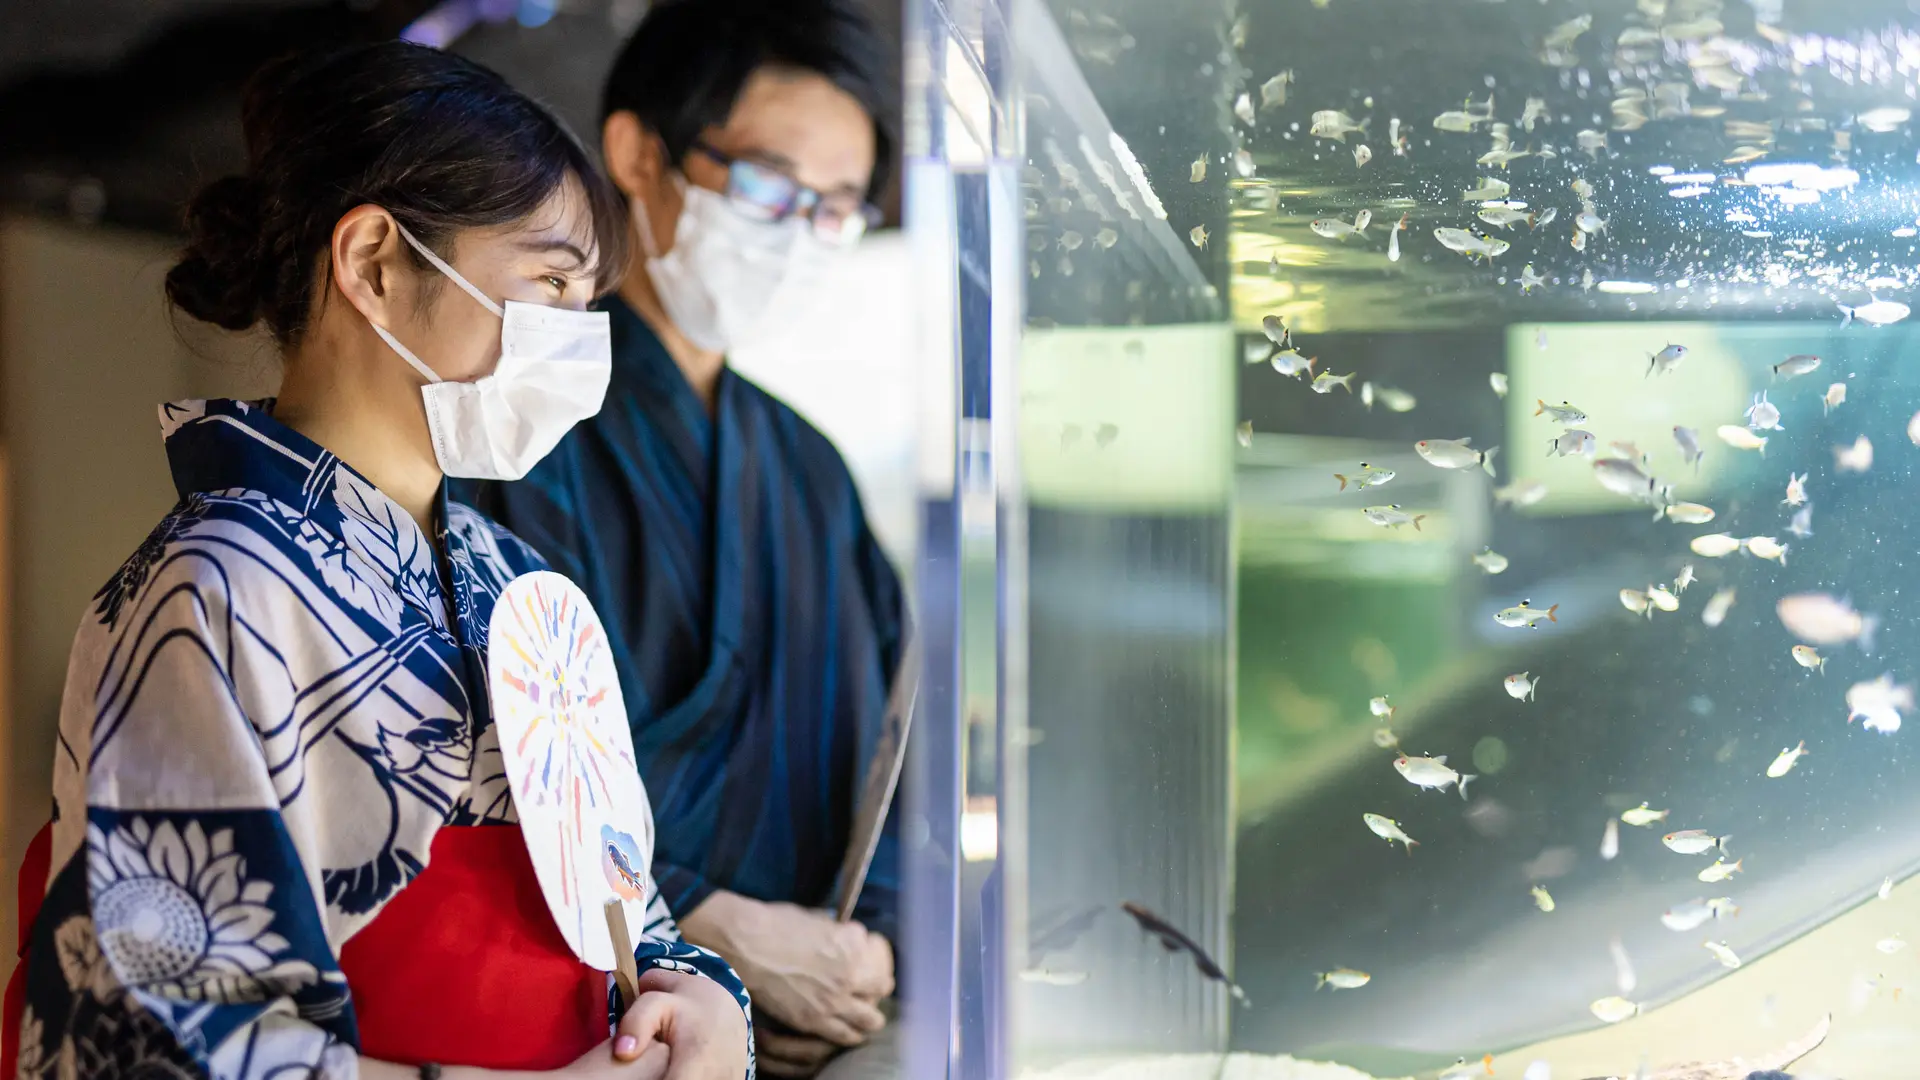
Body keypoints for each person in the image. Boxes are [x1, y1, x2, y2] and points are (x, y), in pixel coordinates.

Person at [1, 42, 756, 1080]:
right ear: (374, 266)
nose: (578, 342)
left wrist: (705, 1007)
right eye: (549, 286)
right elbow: (157, 1037)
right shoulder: (208, 591)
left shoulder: (521, 587)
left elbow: (626, 912)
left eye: (587, 305)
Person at [460, 1, 903, 1076]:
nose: (797, 235)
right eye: (765, 186)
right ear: (638, 154)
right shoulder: (517, 425)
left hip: (828, 1036)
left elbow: (902, 743)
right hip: (617, 1032)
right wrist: (707, 924)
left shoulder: (811, 473)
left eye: (835, 210)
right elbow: (480, 749)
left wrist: (869, 946)